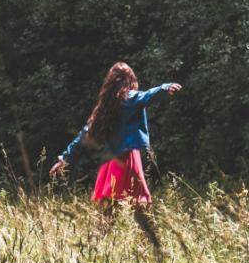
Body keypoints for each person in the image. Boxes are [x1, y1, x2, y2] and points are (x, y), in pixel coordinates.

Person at [49, 62, 181, 250]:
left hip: (111, 164)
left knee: (111, 214)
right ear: (129, 80)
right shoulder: (129, 99)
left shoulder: (104, 108)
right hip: (127, 161)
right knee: (138, 209)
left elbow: (84, 134)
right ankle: (154, 251)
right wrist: (164, 88)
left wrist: (64, 158)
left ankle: (93, 250)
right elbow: (146, 96)